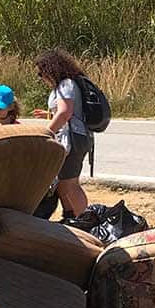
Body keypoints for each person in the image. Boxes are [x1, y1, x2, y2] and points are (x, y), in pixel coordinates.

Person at [35, 48, 94, 219]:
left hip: (72, 139)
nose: (41, 77)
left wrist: (46, 132)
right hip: (74, 137)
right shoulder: (66, 85)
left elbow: (65, 113)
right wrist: (48, 115)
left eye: (41, 72)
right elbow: (70, 113)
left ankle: (86, 220)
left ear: (52, 69)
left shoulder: (66, 85)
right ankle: (71, 216)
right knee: (62, 182)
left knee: (70, 183)